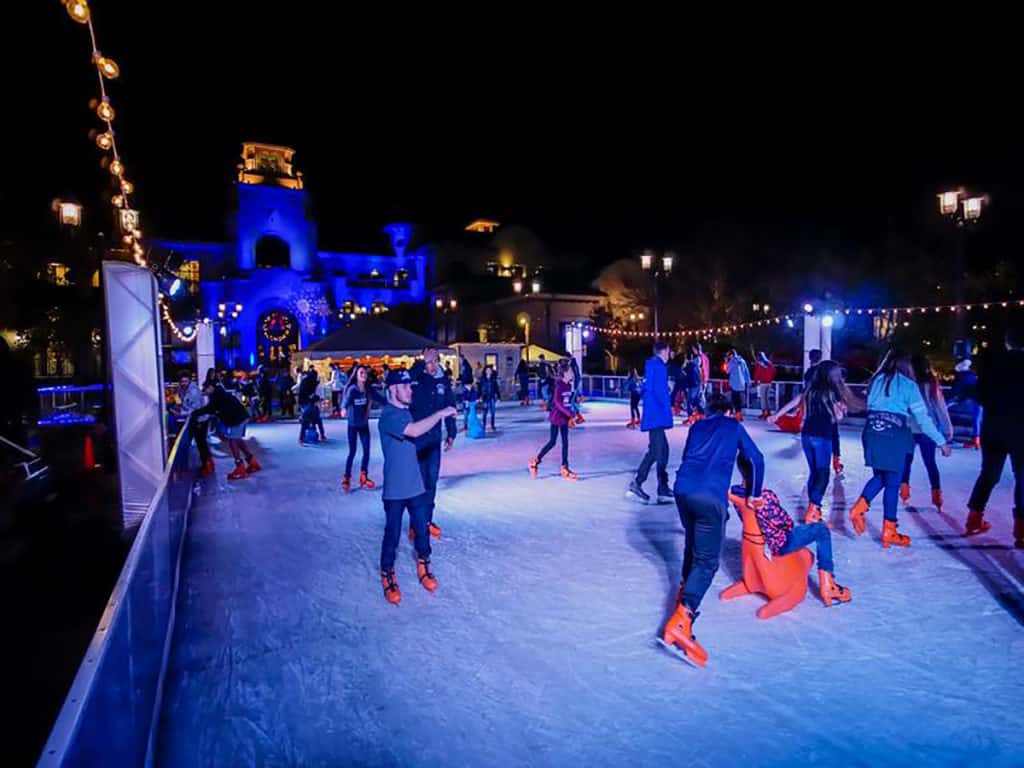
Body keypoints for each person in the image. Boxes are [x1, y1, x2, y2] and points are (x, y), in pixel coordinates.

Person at [659, 393, 764, 668]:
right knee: (708, 561)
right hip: (710, 498)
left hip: (682, 491)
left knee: (692, 544)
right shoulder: (733, 426)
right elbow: (756, 459)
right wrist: (755, 493)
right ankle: (683, 618)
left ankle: (685, 590)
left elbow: (691, 458)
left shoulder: (697, 426)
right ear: (729, 411)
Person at [849, 350, 952, 548]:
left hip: (872, 431)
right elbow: (923, 420)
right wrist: (941, 442)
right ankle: (889, 531)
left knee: (881, 476)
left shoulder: (876, 381)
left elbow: (870, 406)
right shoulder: (908, 386)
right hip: (893, 434)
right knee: (893, 482)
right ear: (907, 368)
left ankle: (860, 508)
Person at [377, 368, 457, 604]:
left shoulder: (408, 412)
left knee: (422, 530)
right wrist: (441, 413)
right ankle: (387, 573)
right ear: (392, 389)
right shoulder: (389, 415)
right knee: (392, 534)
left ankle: (424, 564)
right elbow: (413, 431)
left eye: (410, 386)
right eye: (404, 387)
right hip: (394, 489)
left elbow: (419, 425)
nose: (409, 390)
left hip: (415, 486)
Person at [771, 361, 862, 523]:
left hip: (807, 435)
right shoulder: (833, 392)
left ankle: (815, 508)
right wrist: (841, 412)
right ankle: (813, 508)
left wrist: (777, 415)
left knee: (814, 472)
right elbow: (837, 417)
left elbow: (794, 402)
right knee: (823, 473)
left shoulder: (810, 390)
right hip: (822, 436)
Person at [964, 322, 1024, 546]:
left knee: (989, 474)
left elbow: (980, 395)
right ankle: (1021, 531)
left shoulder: (993, 365)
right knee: (1023, 478)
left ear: (1008, 342)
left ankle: (974, 518)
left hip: (994, 427)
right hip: (1020, 429)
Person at [747, 484, 852, 607]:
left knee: (811, 530)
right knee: (822, 530)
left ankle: (828, 582)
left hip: (764, 542)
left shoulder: (740, 494)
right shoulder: (765, 497)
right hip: (781, 543)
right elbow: (785, 522)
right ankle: (828, 584)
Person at [410, 347, 458, 539]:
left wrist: (451, 432)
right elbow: (406, 380)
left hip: (434, 438)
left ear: (438, 360)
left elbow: (450, 405)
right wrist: (420, 363)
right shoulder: (417, 377)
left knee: (432, 481)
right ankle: (416, 523)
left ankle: (427, 520)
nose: (430, 366)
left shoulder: (443, 380)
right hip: (417, 438)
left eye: (433, 362)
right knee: (419, 482)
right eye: (427, 362)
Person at [900, 354, 953, 508]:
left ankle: (904, 491)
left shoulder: (907, 383)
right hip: (928, 428)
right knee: (930, 463)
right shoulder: (931, 383)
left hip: (909, 427)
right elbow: (940, 406)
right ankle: (936, 495)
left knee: (906, 461)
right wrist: (947, 427)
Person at [627, 340, 674, 503]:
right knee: (656, 451)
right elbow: (656, 390)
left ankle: (663, 487)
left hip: (656, 415)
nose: (670, 355)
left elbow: (651, 388)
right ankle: (637, 483)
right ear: (664, 351)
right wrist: (667, 405)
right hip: (656, 415)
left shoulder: (655, 366)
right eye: (668, 352)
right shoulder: (658, 366)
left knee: (664, 450)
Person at [191, 377, 261, 480]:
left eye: (205, 389)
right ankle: (252, 462)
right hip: (239, 417)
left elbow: (210, 409)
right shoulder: (218, 393)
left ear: (210, 387)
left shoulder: (217, 396)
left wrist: (195, 413)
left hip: (237, 419)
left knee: (233, 441)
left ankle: (240, 468)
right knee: (237, 440)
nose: (204, 391)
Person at [528, 360, 578, 479]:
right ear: (565, 373)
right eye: (570, 371)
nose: (572, 373)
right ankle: (535, 462)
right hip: (556, 417)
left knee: (565, 443)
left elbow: (568, 402)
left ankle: (564, 467)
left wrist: (575, 412)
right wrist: (570, 414)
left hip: (564, 417)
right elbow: (557, 402)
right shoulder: (559, 385)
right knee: (552, 442)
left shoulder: (568, 385)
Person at [340, 365, 386, 491]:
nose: (364, 375)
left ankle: (363, 476)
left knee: (366, 451)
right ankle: (347, 477)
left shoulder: (368, 389)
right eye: (361, 373)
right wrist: (343, 408)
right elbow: (346, 400)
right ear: (356, 375)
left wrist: (393, 404)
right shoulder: (353, 390)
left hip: (364, 425)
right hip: (353, 425)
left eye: (365, 373)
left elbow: (380, 399)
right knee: (352, 451)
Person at [178, 371, 213, 476]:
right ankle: (207, 464)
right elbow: (184, 403)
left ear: (189, 380)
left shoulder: (194, 391)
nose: (183, 383)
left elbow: (196, 409)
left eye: (185, 381)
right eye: (181, 381)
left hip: (201, 420)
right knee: (199, 443)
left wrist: (181, 413)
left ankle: (207, 466)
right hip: (193, 419)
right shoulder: (181, 389)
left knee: (201, 443)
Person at [950, 357, 982, 449]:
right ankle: (976, 439)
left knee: (944, 409)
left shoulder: (963, 376)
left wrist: (954, 398)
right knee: (977, 418)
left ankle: (976, 439)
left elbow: (959, 389)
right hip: (978, 397)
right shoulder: (972, 375)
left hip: (972, 396)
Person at [725, 349, 751, 420]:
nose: (728, 357)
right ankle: (739, 415)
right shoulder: (742, 361)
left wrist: (726, 362)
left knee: (735, 399)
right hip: (742, 384)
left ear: (731, 355)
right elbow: (746, 372)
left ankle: (737, 415)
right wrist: (748, 381)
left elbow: (727, 371)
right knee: (739, 400)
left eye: (728, 356)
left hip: (734, 384)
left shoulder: (732, 361)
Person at [753, 352, 776, 419]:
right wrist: (770, 378)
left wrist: (755, 382)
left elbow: (757, 374)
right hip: (769, 383)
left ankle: (764, 413)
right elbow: (774, 371)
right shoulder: (770, 363)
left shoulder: (760, 364)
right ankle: (768, 412)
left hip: (763, 383)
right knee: (767, 399)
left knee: (763, 399)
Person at [682, 353, 703, 422]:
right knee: (696, 400)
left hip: (692, 385)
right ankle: (702, 413)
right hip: (697, 384)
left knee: (689, 401)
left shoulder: (689, 366)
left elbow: (684, 374)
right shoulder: (695, 365)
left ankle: (690, 416)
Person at [479, 364, 499, 431]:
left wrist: (498, 397)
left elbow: (496, 388)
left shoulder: (493, 379)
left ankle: (492, 425)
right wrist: (479, 396)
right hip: (485, 397)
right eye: (487, 370)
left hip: (492, 396)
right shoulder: (482, 379)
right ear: (485, 371)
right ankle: (484, 425)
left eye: (489, 370)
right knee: (485, 412)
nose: (488, 371)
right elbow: (480, 388)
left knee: (493, 412)